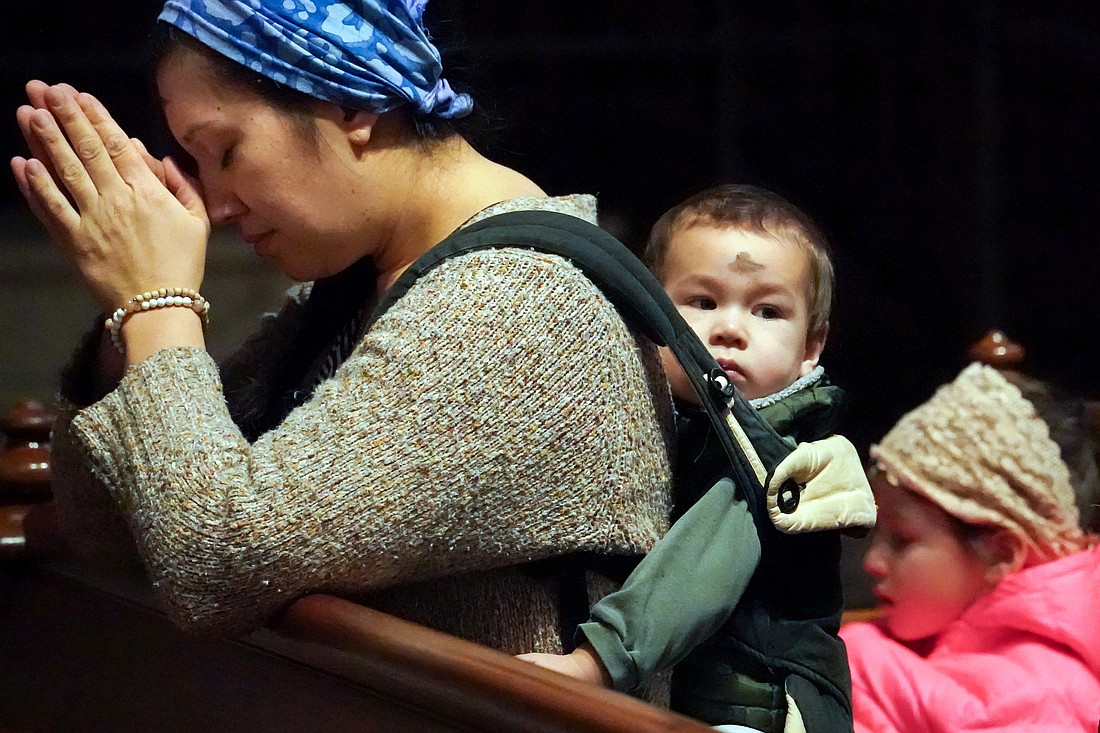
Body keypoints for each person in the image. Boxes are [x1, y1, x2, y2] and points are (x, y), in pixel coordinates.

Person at [9, 0, 676, 656]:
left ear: (352, 104)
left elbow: (212, 562)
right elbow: (111, 527)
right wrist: (129, 318)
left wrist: (156, 301)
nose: (215, 202)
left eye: (225, 150)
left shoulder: (520, 306)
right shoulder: (359, 287)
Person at [521, 184, 869, 732]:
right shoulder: (665, 419)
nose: (730, 328)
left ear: (811, 348)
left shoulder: (780, 456)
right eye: (703, 302)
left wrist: (595, 662)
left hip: (766, 707)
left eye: (768, 311)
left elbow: (698, 569)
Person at [840, 362, 1100, 732]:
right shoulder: (933, 641)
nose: (872, 561)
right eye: (876, 534)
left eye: (902, 540)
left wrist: (859, 659)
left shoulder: (1043, 699)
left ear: (1003, 553)